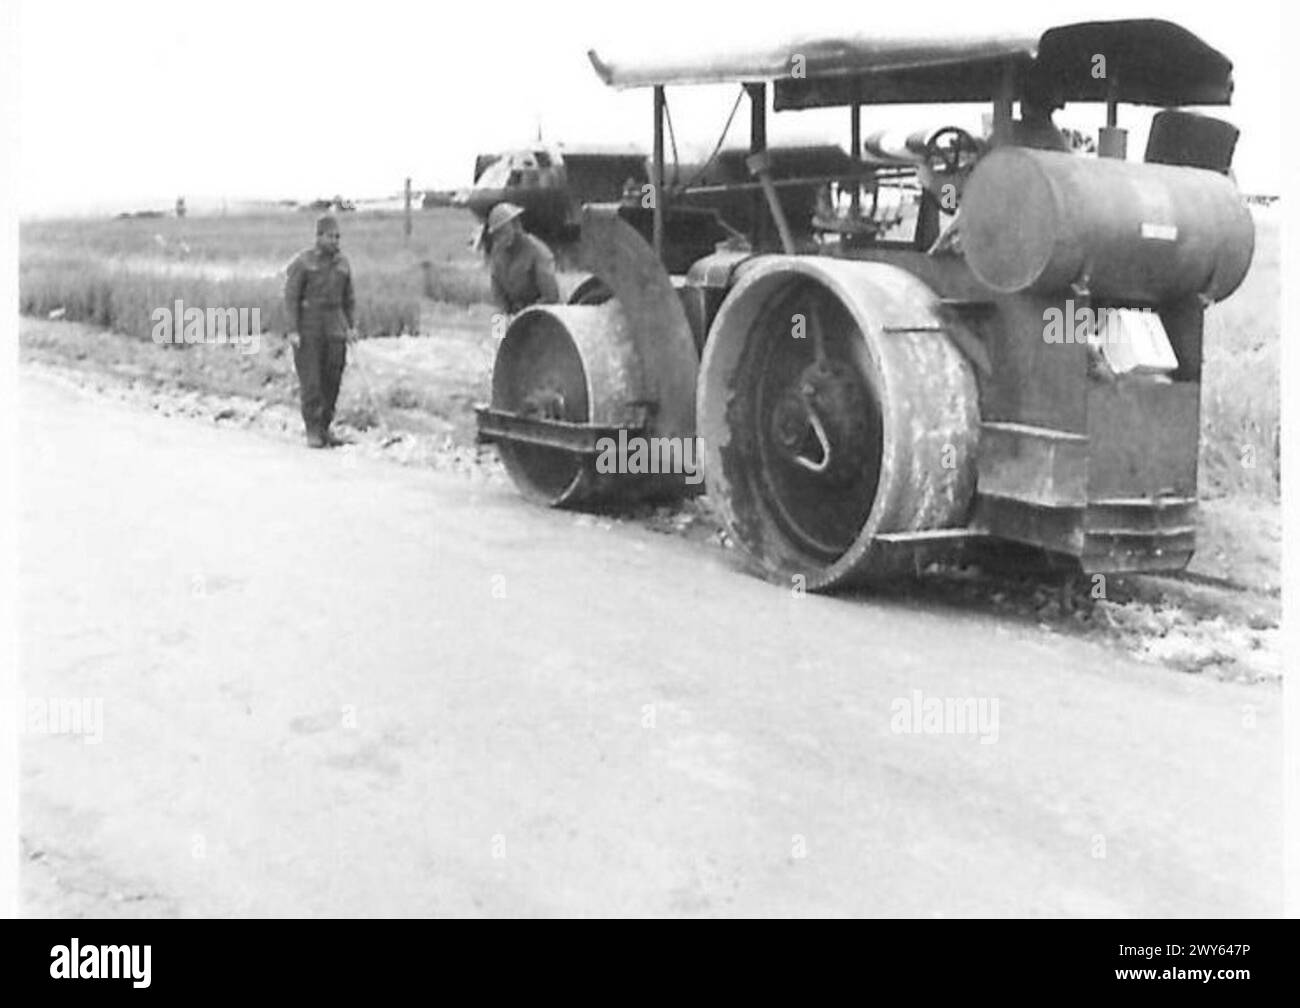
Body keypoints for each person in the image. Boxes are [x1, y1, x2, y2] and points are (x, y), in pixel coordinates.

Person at [284, 214, 356, 448]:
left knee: (332, 379)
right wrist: (293, 329)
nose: (335, 241)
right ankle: (313, 430)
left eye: (338, 237)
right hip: (309, 326)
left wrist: (351, 326)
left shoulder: (343, 264)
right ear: (319, 237)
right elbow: (291, 298)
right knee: (312, 381)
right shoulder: (303, 263)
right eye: (331, 236)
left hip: (335, 326)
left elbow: (349, 299)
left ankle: (326, 428)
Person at [486, 202, 559, 314]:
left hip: (541, 315)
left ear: (516, 225)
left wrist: (524, 317)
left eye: (503, 230)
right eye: (497, 233)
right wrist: (499, 330)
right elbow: (499, 299)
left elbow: (551, 297)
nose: (500, 238)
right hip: (514, 314)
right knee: (497, 319)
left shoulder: (538, 251)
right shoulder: (497, 254)